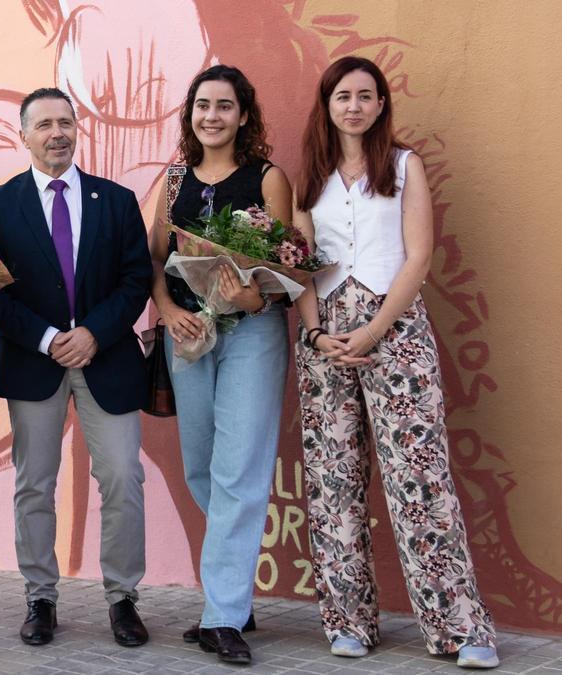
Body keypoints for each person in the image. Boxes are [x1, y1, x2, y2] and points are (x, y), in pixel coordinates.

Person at [292, 56, 499, 669]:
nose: (353, 105)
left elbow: (419, 256)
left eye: (365, 95)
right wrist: (314, 333)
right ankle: (348, 621)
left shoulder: (405, 166)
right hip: (325, 341)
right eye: (343, 96)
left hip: (396, 333)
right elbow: (298, 263)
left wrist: (375, 329)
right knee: (334, 482)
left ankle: (460, 628)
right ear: (327, 105)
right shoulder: (312, 176)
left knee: (420, 477)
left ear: (381, 104)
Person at [0, 87, 153, 648]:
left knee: (124, 478)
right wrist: (52, 336)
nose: (57, 132)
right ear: (23, 135)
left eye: (66, 122)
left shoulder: (117, 199)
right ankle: (40, 597)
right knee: (34, 483)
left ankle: (123, 597)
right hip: (37, 361)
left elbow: (135, 280)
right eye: (44, 124)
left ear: (77, 129)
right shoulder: (0, 203)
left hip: (107, 358)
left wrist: (94, 335)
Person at [147, 64, 291, 664]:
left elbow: (288, 267)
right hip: (188, 335)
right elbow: (153, 260)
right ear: (190, 115)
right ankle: (235, 593)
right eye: (202, 106)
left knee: (239, 469)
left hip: (251, 335)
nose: (212, 116)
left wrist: (253, 297)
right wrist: (164, 310)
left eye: (224, 106)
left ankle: (222, 616)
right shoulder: (175, 177)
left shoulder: (268, 177)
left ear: (243, 115)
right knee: (202, 465)